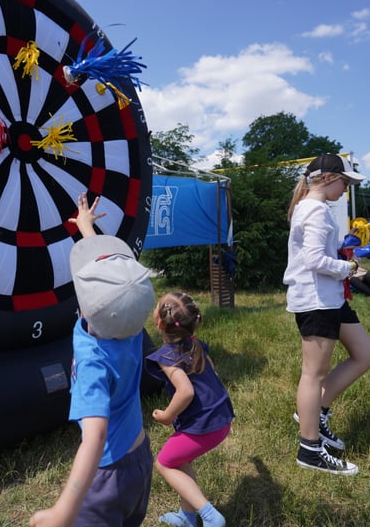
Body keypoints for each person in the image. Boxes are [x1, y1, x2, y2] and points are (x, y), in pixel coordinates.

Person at [30, 194, 156, 527]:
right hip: (141, 459)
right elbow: (113, 281)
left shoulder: (92, 361)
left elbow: (96, 437)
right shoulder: (130, 326)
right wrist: (86, 226)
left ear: (84, 307)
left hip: (106, 477)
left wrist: (64, 510)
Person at [283, 154, 370, 475]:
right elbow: (313, 260)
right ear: (327, 178)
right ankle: (310, 449)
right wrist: (349, 267)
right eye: (345, 183)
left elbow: (320, 255)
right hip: (316, 300)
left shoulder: (313, 209)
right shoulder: (315, 210)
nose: (346, 190)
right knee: (313, 374)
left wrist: (346, 260)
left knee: (365, 354)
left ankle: (316, 414)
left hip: (330, 298)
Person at [145, 292, 234, 527]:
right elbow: (212, 373)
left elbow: (185, 392)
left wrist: (166, 416)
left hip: (202, 427)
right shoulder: (195, 344)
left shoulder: (167, 356)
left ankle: (210, 515)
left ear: (159, 323)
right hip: (221, 417)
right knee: (181, 461)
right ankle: (187, 516)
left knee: (164, 463)